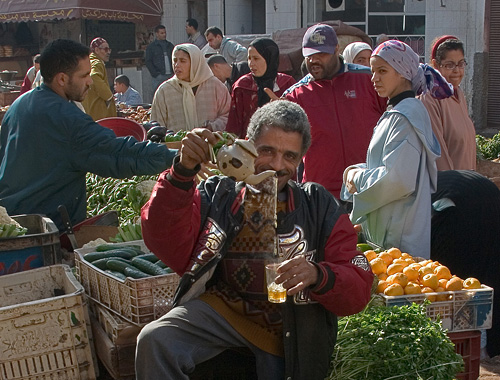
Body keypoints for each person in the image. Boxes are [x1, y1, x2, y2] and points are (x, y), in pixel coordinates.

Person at [136, 99, 373, 380]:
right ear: (248, 146)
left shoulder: (317, 204)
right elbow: (164, 238)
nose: (277, 164)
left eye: (290, 156)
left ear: (300, 160)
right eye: (267, 151)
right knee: (155, 340)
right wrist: (183, 170)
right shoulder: (220, 193)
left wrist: (318, 274)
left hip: (288, 328)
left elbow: (358, 284)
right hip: (222, 312)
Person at [0, 39, 176, 231]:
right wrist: (175, 158)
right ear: (62, 79)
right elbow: (118, 154)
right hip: (46, 229)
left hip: (12, 222)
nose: (90, 82)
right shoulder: (68, 119)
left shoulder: (19, 105)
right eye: (84, 76)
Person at [341, 40, 453, 259]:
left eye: (382, 71)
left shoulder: (405, 116)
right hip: (391, 228)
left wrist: (358, 176)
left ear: (403, 72)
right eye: (373, 71)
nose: (375, 78)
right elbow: (390, 165)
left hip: (398, 234)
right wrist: (355, 171)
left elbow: (398, 179)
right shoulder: (399, 111)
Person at [284, 24, 386, 199]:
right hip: (320, 195)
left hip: (369, 187)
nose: (314, 60)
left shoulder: (368, 80)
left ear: (337, 50)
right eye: (309, 55)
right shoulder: (295, 95)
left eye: (321, 54)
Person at [430, 170, 500, 358]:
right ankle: (488, 344)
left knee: (457, 285)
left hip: (462, 209)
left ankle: (476, 348)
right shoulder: (426, 181)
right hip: (487, 197)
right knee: (490, 270)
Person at [420, 36, 476, 171]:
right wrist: (451, 186)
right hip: (449, 186)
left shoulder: (459, 94)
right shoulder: (430, 98)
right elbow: (438, 154)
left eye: (461, 63)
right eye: (449, 65)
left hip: (467, 184)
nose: (457, 70)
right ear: (436, 64)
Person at [150, 43, 230, 132]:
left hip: (211, 144)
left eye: (183, 61)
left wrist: (212, 127)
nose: (177, 65)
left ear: (195, 63)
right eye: (175, 60)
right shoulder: (165, 91)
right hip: (175, 145)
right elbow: (156, 125)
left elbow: (228, 115)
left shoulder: (215, 86)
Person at [226, 38, 296, 138]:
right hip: (249, 147)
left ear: (269, 58)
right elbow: (233, 125)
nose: (251, 63)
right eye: (249, 58)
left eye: (256, 58)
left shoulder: (287, 84)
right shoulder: (242, 86)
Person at [81, 37, 117, 121]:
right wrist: (108, 96)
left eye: (109, 49)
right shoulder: (97, 63)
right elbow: (94, 76)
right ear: (96, 50)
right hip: (98, 111)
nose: (108, 52)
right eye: (105, 49)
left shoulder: (89, 61)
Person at [145, 25, 175, 93]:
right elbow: (148, 61)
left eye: (165, 33)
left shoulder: (170, 45)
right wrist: (155, 74)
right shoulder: (151, 47)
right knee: (157, 94)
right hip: (159, 75)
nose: (164, 35)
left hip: (170, 75)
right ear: (157, 34)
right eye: (162, 33)